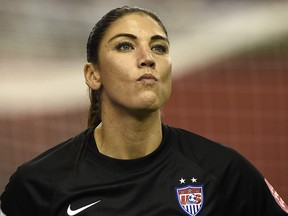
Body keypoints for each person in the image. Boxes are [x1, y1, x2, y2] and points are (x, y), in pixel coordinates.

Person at [0, 5, 287, 216]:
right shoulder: (39, 182)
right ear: (93, 74)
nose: (147, 58)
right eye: (125, 46)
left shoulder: (224, 171)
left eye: (159, 48)